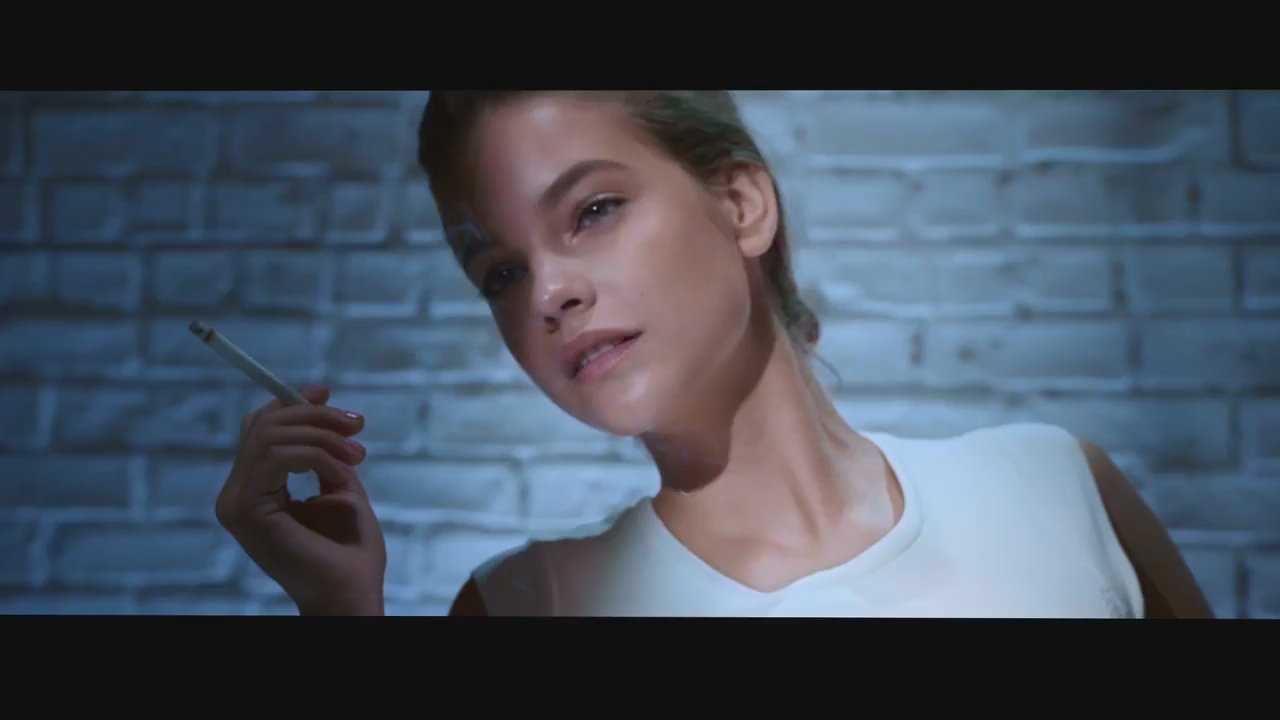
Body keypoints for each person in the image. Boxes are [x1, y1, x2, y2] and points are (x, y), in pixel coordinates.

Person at [216, 91, 1214, 618]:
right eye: (500, 272)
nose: (547, 292)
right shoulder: (523, 606)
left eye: (592, 210)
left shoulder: (1052, 486)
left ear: (740, 203)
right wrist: (339, 612)